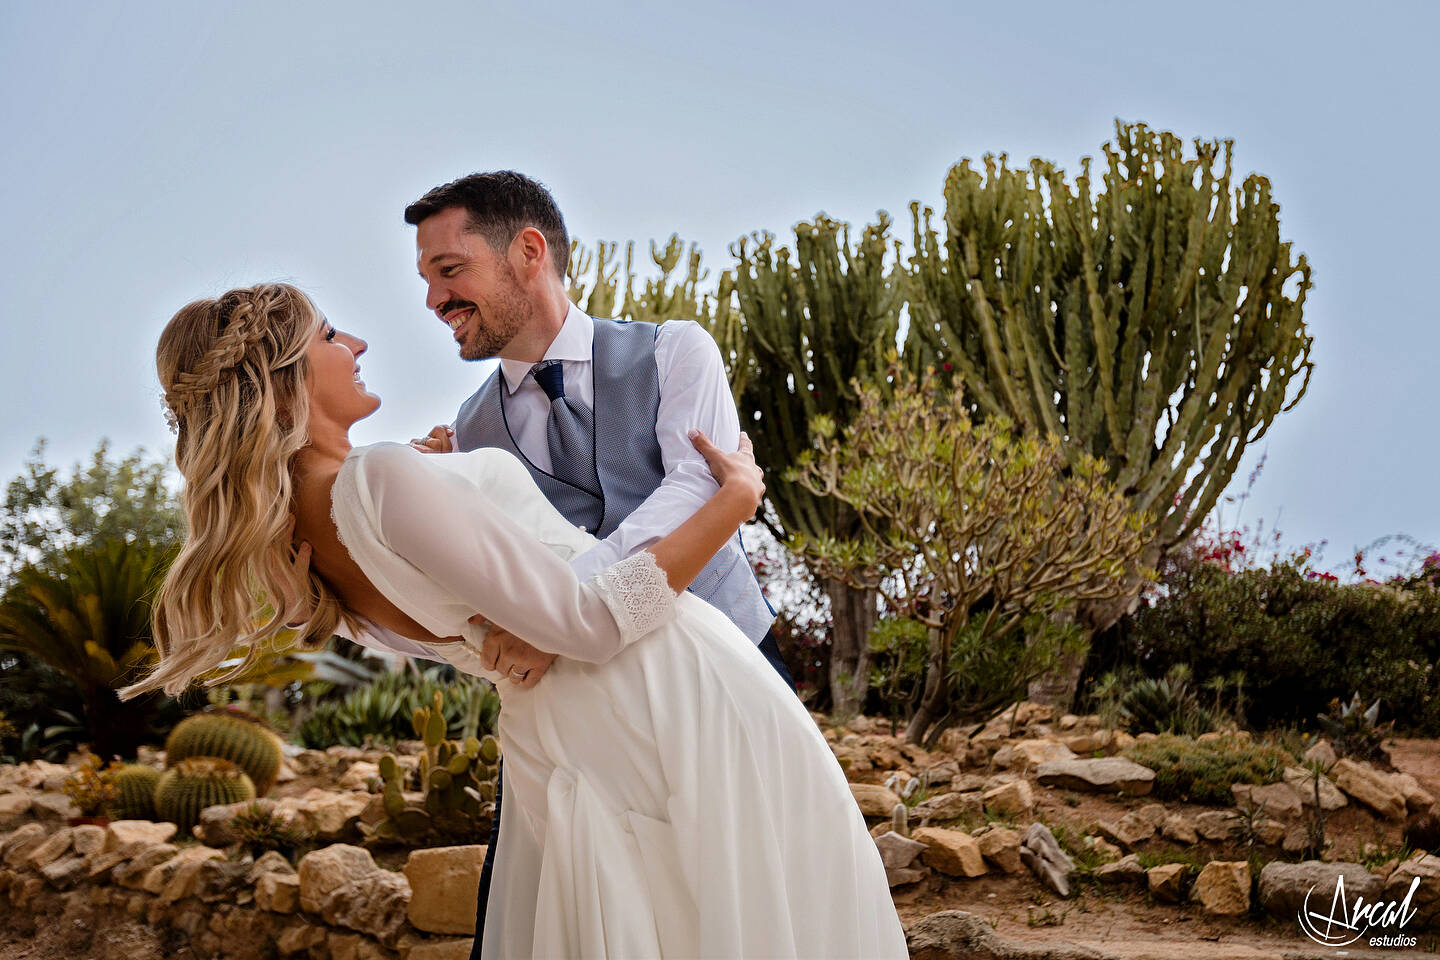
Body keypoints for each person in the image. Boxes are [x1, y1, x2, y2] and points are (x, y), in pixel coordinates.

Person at [122, 283, 907, 959]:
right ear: (283, 379)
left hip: (557, 734)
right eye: (329, 334)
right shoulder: (381, 478)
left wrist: (450, 481)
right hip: (660, 692)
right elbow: (590, 625)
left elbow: (459, 632)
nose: (355, 342)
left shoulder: (296, 546)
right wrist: (736, 499)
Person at [391, 170, 795, 952]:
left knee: (749, 899)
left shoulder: (677, 351)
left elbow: (694, 491)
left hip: (728, 670)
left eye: (449, 271)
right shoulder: (467, 437)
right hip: (581, 708)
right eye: (427, 281)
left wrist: (559, 615)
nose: (434, 302)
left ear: (529, 252)